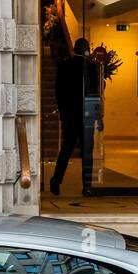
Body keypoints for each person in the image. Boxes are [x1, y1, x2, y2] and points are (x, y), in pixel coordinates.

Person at [49, 38, 101, 196]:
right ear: (86, 50)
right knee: (87, 152)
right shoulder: (92, 67)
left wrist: (63, 113)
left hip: (70, 117)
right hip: (87, 116)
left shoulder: (64, 66)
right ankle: (87, 185)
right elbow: (95, 93)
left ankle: (56, 181)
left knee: (66, 150)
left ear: (75, 49)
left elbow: (59, 92)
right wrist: (97, 116)